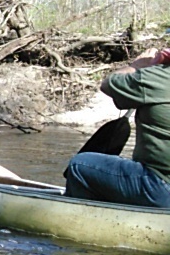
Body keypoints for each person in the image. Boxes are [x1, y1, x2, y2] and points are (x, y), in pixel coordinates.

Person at [64, 48, 170, 208]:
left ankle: (86, 219)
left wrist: (136, 66)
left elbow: (109, 84)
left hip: (159, 187)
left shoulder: (158, 76)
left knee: (79, 165)